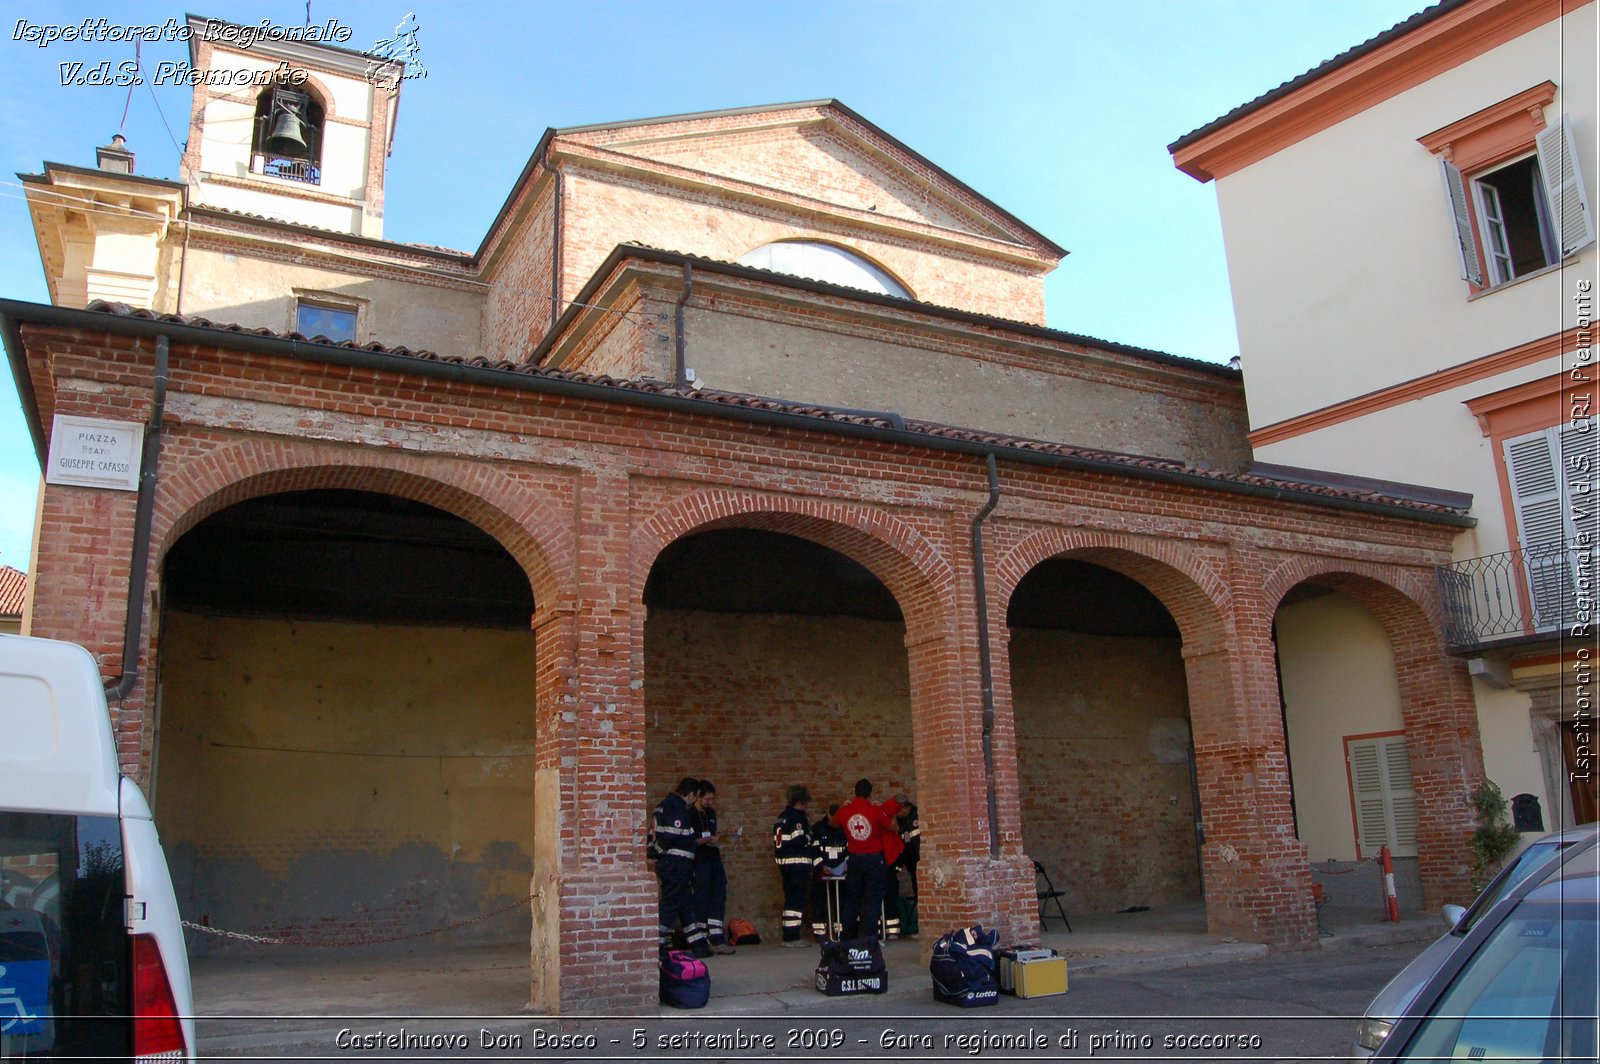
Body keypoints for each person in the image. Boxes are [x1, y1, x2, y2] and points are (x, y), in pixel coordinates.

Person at [836, 779, 903, 941]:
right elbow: (893, 827)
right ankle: (868, 936)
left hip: (854, 859)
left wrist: (842, 806)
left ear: (855, 792)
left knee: (852, 898)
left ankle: (846, 936)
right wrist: (884, 810)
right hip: (874, 859)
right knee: (873, 899)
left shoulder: (845, 811)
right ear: (870, 793)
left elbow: (834, 822)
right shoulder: (875, 811)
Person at [652, 777, 709, 958]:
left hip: (676, 865)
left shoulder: (665, 805)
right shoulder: (676, 807)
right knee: (670, 906)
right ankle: (656, 946)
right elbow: (671, 836)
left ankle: (699, 947)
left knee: (686, 907)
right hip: (676, 865)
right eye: (696, 797)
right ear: (691, 794)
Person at [691, 779, 736, 955]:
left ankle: (717, 937)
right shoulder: (690, 815)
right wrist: (708, 840)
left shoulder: (710, 813)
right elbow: (691, 840)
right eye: (707, 799)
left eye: (712, 799)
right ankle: (701, 937)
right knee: (701, 896)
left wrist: (726, 835)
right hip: (699, 860)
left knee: (719, 891)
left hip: (713, 857)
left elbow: (712, 834)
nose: (710, 803)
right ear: (698, 796)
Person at [772, 784, 815, 947]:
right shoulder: (797, 817)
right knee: (796, 900)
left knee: (791, 899)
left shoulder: (782, 816)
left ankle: (790, 935)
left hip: (785, 864)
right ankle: (792, 937)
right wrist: (810, 837)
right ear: (799, 801)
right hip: (796, 864)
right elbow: (799, 839)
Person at [810, 803, 847, 940]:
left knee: (841, 903)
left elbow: (849, 849)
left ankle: (840, 932)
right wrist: (821, 866)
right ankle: (820, 933)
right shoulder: (817, 829)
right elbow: (813, 851)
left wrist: (846, 864)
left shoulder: (845, 829)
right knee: (819, 903)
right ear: (829, 816)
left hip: (841, 873)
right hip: (821, 873)